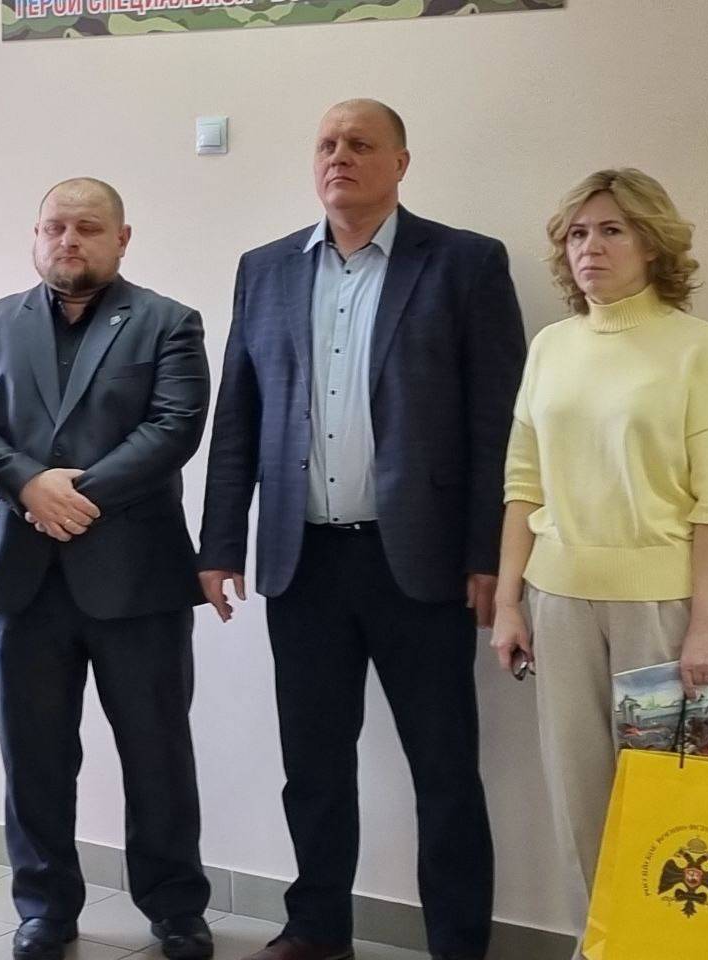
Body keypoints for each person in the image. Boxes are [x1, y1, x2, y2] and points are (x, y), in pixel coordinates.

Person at [198, 100, 526, 960]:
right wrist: (220, 544)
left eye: (360, 144)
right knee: (312, 765)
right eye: (326, 144)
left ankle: (458, 942)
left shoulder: (464, 263)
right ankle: (317, 929)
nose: (339, 156)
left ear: (400, 163)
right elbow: (239, 416)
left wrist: (488, 557)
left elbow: (497, 424)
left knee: (444, 770)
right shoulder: (266, 269)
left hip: (419, 563)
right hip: (302, 561)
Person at [0, 177, 213, 960]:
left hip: (137, 578)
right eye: (55, 227)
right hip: (21, 578)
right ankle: (44, 906)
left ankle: (175, 907)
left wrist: (71, 496)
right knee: (33, 756)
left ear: (122, 239)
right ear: (35, 237)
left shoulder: (168, 322)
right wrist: (29, 486)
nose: (69, 240)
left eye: (88, 228)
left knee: (157, 754)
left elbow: (174, 426)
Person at [490, 168, 708, 941]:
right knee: (579, 797)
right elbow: (523, 483)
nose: (590, 246)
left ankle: (666, 949)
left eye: (612, 230)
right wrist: (510, 602)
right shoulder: (551, 347)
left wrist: (706, 626)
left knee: (662, 803)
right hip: (558, 606)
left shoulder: (695, 348)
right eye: (578, 233)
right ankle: (602, 946)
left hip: (662, 612)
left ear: (652, 244)